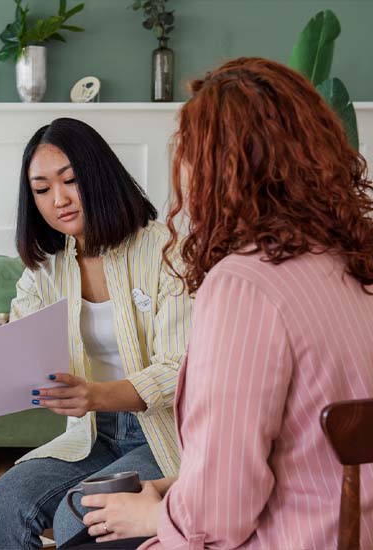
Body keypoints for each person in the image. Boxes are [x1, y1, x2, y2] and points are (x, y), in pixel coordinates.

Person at [76, 58, 373, 549]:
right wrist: (175, 491)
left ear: (219, 170)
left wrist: (153, 516)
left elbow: (219, 516)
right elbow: (308, 456)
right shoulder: (355, 263)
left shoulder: (245, 286)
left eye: (187, 152)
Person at [0, 117, 193, 549]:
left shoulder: (166, 250)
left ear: (98, 176)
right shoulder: (46, 267)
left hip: (165, 433)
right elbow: (22, 345)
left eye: (70, 180)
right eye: (42, 189)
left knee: (79, 514)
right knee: (4, 502)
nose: (58, 199)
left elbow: (180, 367)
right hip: (93, 434)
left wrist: (95, 394)